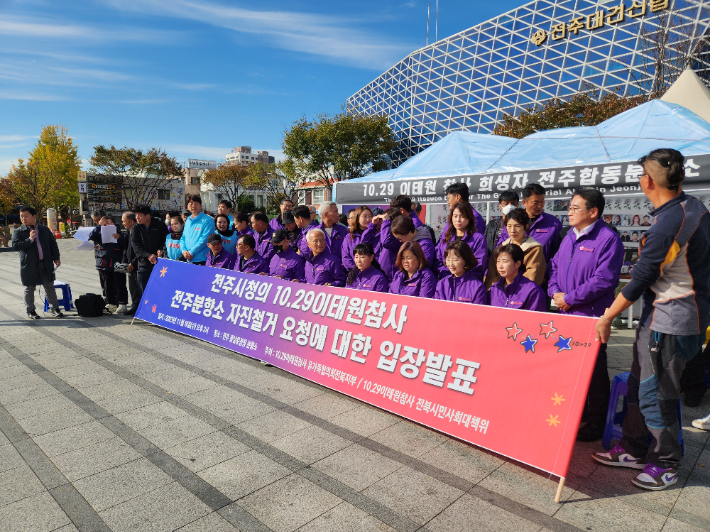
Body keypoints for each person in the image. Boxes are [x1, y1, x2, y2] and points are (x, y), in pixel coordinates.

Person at [592, 149, 710, 491]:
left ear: (647, 180)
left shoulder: (670, 223)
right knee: (639, 384)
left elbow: (643, 275)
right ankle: (634, 447)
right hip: (658, 314)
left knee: (656, 392)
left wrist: (608, 317)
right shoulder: (688, 208)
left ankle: (665, 463)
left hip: (673, 318)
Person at [548, 187, 624, 443]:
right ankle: (574, 413)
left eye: (574, 208)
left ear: (593, 212)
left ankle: (595, 422)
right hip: (566, 314)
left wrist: (569, 298)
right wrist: (555, 292)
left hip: (590, 317)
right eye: (569, 207)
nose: (569, 212)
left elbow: (604, 280)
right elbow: (555, 266)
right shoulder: (569, 235)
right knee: (570, 370)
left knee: (594, 372)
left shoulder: (608, 239)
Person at [12, 206, 63, 319]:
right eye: (21, 216)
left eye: (26, 216)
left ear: (34, 216)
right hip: (29, 264)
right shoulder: (19, 231)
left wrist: (56, 258)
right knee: (29, 288)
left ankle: (55, 308)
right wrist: (29, 240)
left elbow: (53, 245)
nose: (23, 218)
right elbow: (15, 246)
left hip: (45, 263)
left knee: (49, 286)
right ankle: (31, 310)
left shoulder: (44, 230)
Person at [496, 183, 562, 263]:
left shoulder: (553, 223)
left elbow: (558, 254)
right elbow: (499, 248)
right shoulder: (513, 220)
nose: (540, 206)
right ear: (524, 202)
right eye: (535, 202)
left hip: (539, 272)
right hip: (512, 272)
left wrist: (547, 272)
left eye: (542, 202)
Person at [485, 208, 545, 287]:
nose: (512, 230)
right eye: (509, 226)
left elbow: (532, 276)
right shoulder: (500, 248)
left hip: (522, 294)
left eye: (517, 226)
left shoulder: (534, 249)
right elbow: (491, 276)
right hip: (499, 293)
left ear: (526, 226)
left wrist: (511, 288)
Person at [434, 202, 488, 280]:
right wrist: (447, 277)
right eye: (455, 216)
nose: (458, 220)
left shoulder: (479, 239)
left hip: (469, 282)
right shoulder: (445, 237)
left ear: (469, 218)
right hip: (446, 280)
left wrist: (461, 276)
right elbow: (438, 260)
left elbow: (479, 265)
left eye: (462, 216)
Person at [489, 244, 546, 311]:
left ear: (517, 264)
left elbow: (535, 319)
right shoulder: (495, 289)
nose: (500, 266)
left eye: (505, 261)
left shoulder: (533, 291)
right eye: (498, 261)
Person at [89, 215, 128, 313]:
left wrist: (119, 238)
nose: (109, 225)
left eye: (111, 223)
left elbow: (126, 245)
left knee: (120, 283)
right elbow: (91, 236)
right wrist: (99, 226)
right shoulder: (100, 232)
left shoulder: (120, 233)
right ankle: (111, 303)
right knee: (107, 284)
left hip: (117, 261)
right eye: (106, 224)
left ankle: (122, 303)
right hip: (105, 262)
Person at [434, 240, 488, 304]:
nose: (451, 264)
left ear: (465, 259)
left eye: (455, 260)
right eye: (448, 260)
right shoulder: (442, 284)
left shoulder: (477, 287)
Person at [132, 204, 169, 291]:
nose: (137, 218)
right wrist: (148, 255)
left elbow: (166, 240)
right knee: (144, 291)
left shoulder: (160, 225)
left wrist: (161, 249)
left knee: (159, 290)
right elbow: (136, 246)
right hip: (143, 264)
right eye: (136, 215)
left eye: (139, 215)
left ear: (148, 216)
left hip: (159, 263)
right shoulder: (135, 228)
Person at [180, 195, 215, 265]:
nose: (193, 206)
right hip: (188, 260)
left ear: (201, 206)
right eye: (191, 204)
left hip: (202, 259)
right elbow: (183, 238)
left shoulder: (208, 220)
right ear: (187, 207)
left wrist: (191, 252)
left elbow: (205, 239)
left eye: (196, 203)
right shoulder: (188, 220)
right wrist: (184, 251)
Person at [341, 205, 379, 270]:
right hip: (355, 274)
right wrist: (357, 271)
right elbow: (346, 258)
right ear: (358, 219)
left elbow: (378, 256)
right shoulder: (349, 237)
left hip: (373, 274)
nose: (368, 219)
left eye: (370, 216)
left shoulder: (377, 235)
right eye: (364, 216)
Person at [375, 208, 403, 281]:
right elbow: (364, 242)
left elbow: (386, 242)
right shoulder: (382, 234)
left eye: (383, 220)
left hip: (391, 278)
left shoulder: (397, 238)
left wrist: (386, 221)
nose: (381, 223)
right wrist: (372, 226)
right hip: (379, 275)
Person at [121, 211, 141, 315]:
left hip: (137, 264)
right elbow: (126, 249)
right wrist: (124, 262)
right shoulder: (128, 232)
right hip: (130, 265)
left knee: (139, 287)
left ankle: (140, 308)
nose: (123, 223)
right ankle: (134, 306)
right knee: (132, 287)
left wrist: (133, 263)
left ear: (131, 221)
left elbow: (138, 250)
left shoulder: (137, 232)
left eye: (124, 221)